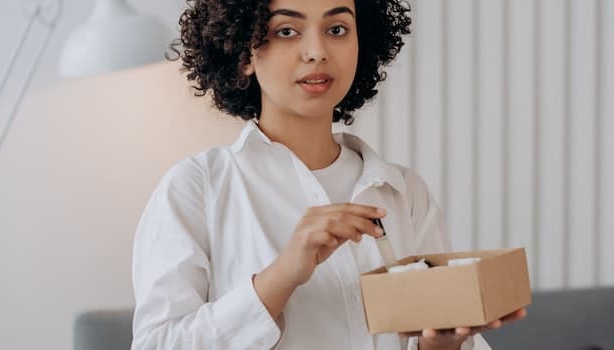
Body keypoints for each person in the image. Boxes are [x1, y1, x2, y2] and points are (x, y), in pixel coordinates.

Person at [131, 0, 526, 349]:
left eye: (337, 29)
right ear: (243, 53)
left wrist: (440, 345)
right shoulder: (196, 188)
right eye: (287, 31)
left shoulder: (405, 193)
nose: (317, 52)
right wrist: (281, 276)